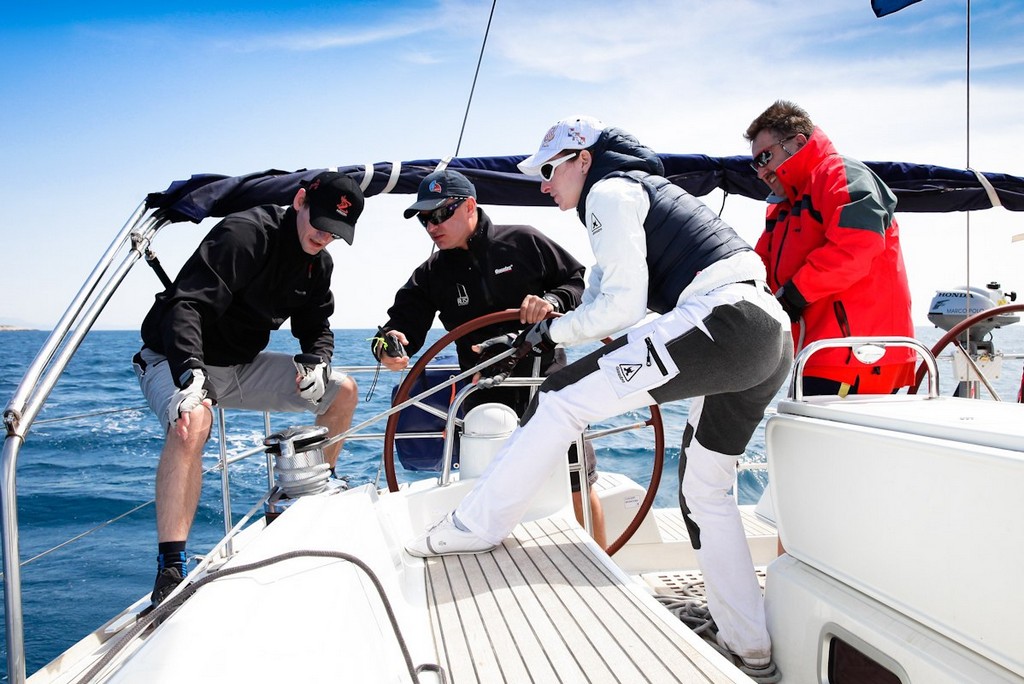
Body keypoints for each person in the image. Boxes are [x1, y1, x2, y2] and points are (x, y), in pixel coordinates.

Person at [405, 116, 792, 679]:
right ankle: (750, 646)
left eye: (550, 170)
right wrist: (551, 331)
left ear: (583, 160)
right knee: (705, 492)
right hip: (769, 334)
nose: (544, 184)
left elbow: (621, 308)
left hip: (722, 322)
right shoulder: (638, 190)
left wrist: (548, 333)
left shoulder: (609, 193)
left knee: (559, 396)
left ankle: (474, 527)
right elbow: (611, 300)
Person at [133, 171, 364, 609]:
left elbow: (316, 326)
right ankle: (170, 569)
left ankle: (313, 498)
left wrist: (317, 362)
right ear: (300, 201)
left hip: (240, 366)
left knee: (343, 391)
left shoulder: (319, 264)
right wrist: (190, 373)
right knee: (192, 422)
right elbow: (186, 305)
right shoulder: (244, 233)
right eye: (320, 224)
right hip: (174, 356)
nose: (324, 237)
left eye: (336, 232)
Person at [373, 168, 607, 546]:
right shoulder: (432, 273)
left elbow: (577, 283)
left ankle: (603, 560)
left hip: (545, 382)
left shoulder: (524, 241)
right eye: (423, 219)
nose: (431, 226)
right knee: (487, 487)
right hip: (483, 394)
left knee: (578, 479)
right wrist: (391, 344)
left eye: (439, 214)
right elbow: (400, 327)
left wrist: (551, 300)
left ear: (469, 206)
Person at [745, 100, 915, 396]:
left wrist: (794, 294)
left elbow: (856, 246)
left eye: (765, 158)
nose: (761, 172)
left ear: (798, 143)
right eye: (755, 164)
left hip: (858, 354)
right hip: (819, 354)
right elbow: (759, 268)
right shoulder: (782, 209)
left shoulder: (841, 175)